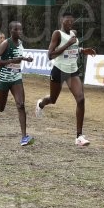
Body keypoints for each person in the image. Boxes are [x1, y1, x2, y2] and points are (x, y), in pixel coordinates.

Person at [36, 13, 97, 147]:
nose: (70, 22)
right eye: (67, 20)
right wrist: (68, 44)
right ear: (61, 21)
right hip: (59, 70)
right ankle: (41, 104)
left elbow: (74, 49)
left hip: (72, 71)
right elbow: (50, 55)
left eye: (71, 20)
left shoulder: (73, 34)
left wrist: (82, 50)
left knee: (80, 99)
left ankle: (79, 136)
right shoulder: (57, 34)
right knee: (53, 99)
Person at [0, 21, 35, 146]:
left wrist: (26, 59)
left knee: (20, 105)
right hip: (4, 79)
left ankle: (24, 137)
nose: (19, 32)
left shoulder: (20, 43)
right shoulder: (5, 43)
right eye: (17, 30)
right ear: (11, 31)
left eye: (21, 29)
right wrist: (11, 60)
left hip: (16, 78)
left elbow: (18, 58)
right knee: (1, 107)